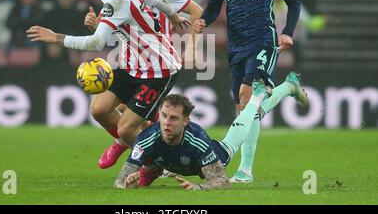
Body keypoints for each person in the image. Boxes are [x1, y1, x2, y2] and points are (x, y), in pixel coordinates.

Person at [26, 0, 190, 155]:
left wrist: (56, 38)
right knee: (99, 109)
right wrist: (173, 16)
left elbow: (96, 43)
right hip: (134, 67)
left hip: (159, 69)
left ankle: (153, 161)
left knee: (125, 128)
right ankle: (143, 146)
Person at [193, 0, 307, 183]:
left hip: (263, 40)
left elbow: (294, 2)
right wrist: (202, 21)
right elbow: (213, 7)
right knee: (245, 108)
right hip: (236, 45)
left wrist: (287, 32)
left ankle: (239, 168)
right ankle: (288, 88)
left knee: (247, 96)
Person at [84, 0, 204, 169]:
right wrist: (95, 25)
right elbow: (107, 33)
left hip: (157, 66)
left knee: (134, 120)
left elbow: (197, 12)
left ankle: (132, 148)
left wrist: (192, 46)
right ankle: (125, 143)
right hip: (130, 64)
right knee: (110, 110)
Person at [114, 75, 306, 190]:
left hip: (218, 154)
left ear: (185, 121)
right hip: (172, 161)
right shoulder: (147, 138)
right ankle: (288, 86)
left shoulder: (198, 142)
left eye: (173, 118)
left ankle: (258, 96)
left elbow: (222, 182)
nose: (166, 123)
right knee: (254, 114)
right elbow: (120, 182)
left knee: (244, 122)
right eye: (164, 116)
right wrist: (128, 184)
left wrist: (198, 188)